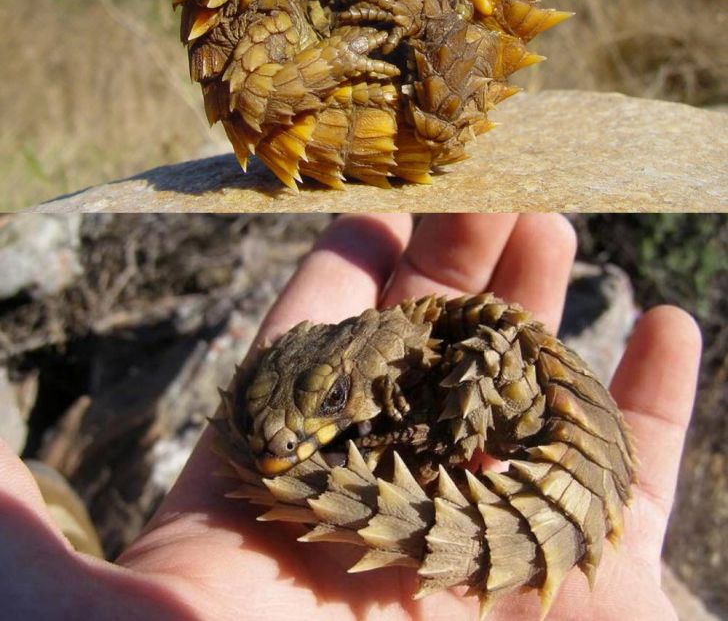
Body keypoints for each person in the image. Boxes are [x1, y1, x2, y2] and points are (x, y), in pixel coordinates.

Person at [0, 213, 702, 620]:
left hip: (570, 461)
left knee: (483, 365)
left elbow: (477, 385)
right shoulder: (374, 366)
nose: (286, 442)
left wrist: (417, 440)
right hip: (559, 473)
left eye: (336, 402)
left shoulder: (436, 356)